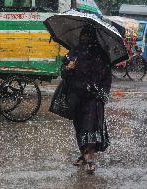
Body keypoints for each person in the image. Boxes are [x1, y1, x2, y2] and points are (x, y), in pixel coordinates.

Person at [61, 26, 112, 174]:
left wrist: (102, 94)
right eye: (83, 35)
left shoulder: (101, 55)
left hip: (94, 99)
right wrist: (68, 68)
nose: (84, 38)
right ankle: (84, 154)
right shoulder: (75, 52)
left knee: (90, 129)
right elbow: (64, 74)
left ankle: (90, 159)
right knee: (79, 129)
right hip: (77, 97)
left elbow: (107, 78)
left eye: (87, 36)